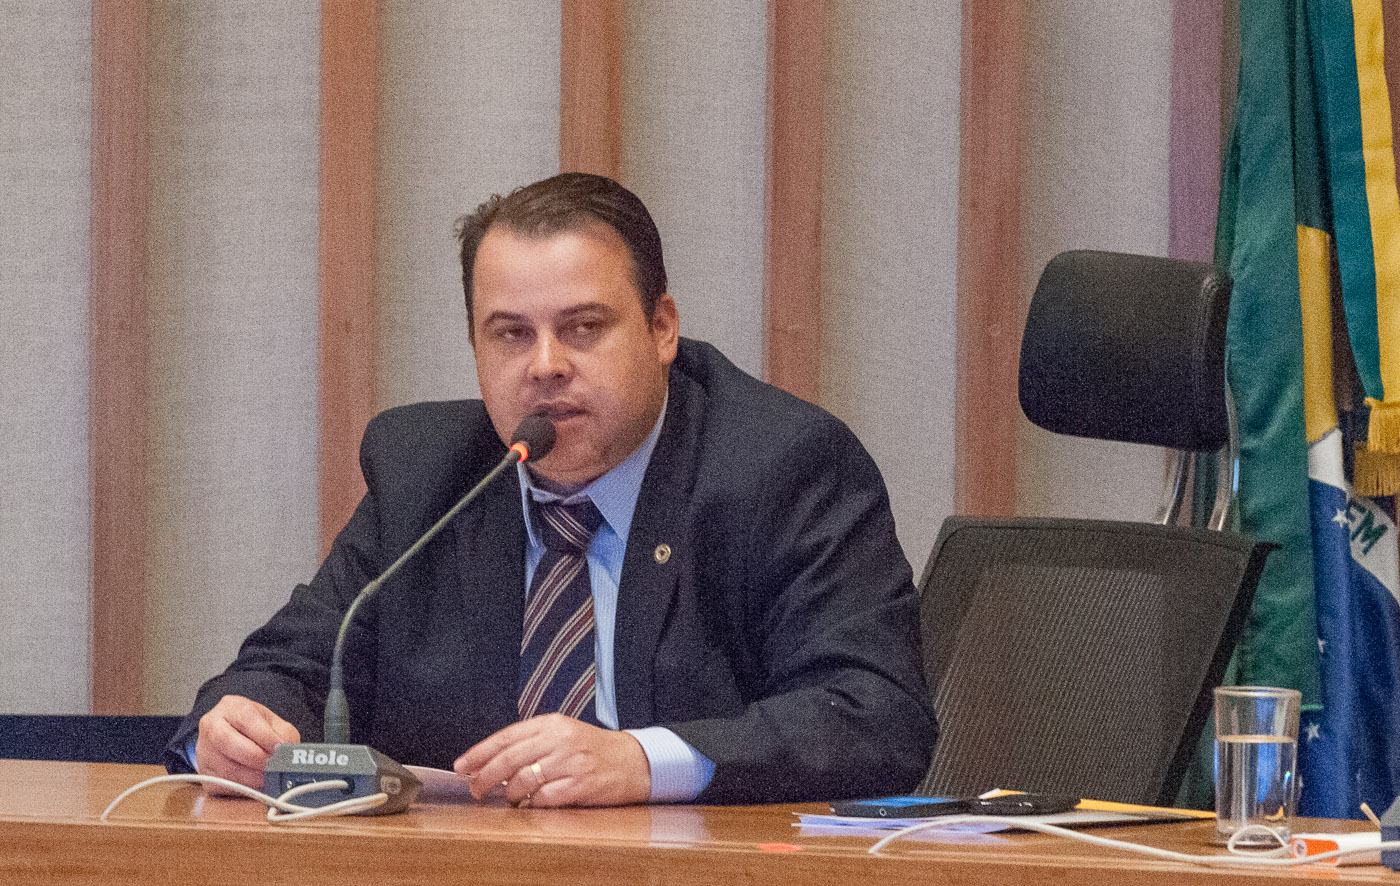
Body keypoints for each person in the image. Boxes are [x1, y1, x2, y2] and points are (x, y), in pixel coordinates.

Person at [167, 173, 934, 806]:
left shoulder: (779, 466)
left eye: (583, 327)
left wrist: (641, 760)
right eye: (510, 333)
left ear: (662, 328)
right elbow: (296, 665)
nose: (545, 365)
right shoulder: (429, 474)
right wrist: (238, 727)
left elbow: (875, 714)